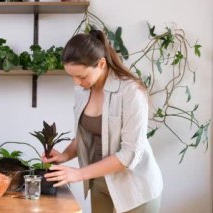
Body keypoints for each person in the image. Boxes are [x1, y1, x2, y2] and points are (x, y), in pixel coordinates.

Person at [42, 30, 163, 213]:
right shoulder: (82, 91)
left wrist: (78, 174)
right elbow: (86, 134)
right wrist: (64, 155)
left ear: (101, 63)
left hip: (135, 188)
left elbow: (130, 154)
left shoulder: (131, 92)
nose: (76, 82)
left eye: (81, 76)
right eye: (72, 76)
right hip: (100, 182)